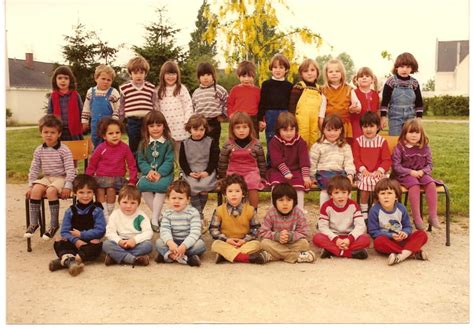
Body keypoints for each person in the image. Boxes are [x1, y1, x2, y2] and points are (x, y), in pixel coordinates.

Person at [24, 115, 76, 240]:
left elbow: (70, 169)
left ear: (59, 134)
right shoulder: (39, 150)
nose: (48, 135)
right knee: (36, 190)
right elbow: (34, 168)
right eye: (45, 132)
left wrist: (68, 186)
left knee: (51, 191)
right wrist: (31, 185)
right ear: (41, 133)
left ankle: (53, 225)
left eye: (52, 132)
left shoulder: (64, 150)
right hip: (47, 177)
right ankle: (34, 223)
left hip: (61, 178)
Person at [48, 174, 106, 276]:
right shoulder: (70, 211)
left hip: (88, 243)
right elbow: (65, 231)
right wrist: (76, 240)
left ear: (93, 193)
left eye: (89, 192)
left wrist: (82, 235)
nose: (85, 196)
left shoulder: (97, 210)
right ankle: (72, 261)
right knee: (59, 240)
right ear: (75, 193)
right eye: (81, 192)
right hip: (73, 242)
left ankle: (69, 261)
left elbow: (100, 230)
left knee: (97, 244)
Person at [391, 119, 441, 230]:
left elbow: (429, 165)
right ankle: (417, 218)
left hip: (421, 173)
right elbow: (396, 166)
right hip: (405, 174)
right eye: (410, 132)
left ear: (421, 134)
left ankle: (432, 216)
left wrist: (423, 171)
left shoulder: (425, 147)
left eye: (417, 133)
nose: (414, 135)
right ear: (404, 133)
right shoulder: (400, 148)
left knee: (431, 183)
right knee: (414, 185)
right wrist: (410, 172)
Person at [210, 174, 270, 264]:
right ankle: (248, 258)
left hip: (244, 242)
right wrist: (226, 240)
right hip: (227, 241)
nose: (233, 194)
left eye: (237, 191)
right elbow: (213, 229)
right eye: (230, 191)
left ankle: (226, 255)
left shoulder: (250, 210)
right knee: (216, 245)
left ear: (243, 194)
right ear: (225, 194)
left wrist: (244, 240)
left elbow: (256, 229)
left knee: (257, 244)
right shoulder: (219, 210)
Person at [85, 118, 137, 221]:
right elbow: (92, 165)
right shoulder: (100, 148)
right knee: (99, 189)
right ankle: (104, 215)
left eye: (117, 132)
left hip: (117, 179)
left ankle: (110, 214)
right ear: (104, 136)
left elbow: (132, 165)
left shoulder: (124, 148)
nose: (115, 135)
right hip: (101, 178)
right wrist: (88, 179)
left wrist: (132, 180)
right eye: (111, 133)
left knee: (110, 189)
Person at [368, 178, 429, 266]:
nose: (386, 196)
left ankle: (400, 256)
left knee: (422, 234)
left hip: (402, 239)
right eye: (382, 193)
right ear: (378, 197)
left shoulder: (401, 208)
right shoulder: (374, 210)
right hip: (387, 240)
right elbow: (373, 232)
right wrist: (391, 235)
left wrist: (405, 233)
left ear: (396, 196)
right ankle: (413, 252)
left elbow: (408, 226)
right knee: (378, 242)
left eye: (389, 193)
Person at [312, 175, 370, 259]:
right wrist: (336, 239)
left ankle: (331, 251)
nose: (340, 196)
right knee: (317, 238)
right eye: (336, 193)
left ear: (349, 193)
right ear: (331, 195)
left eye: (344, 192)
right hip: (333, 237)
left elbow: (361, 226)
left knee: (365, 239)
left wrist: (349, 239)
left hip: (349, 237)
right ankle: (350, 253)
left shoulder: (354, 205)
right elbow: (322, 227)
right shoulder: (326, 206)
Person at [218, 112, 267, 210]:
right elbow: (222, 163)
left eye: (245, 127)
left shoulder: (256, 144)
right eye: (238, 127)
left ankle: (253, 213)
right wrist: (222, 177)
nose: (241, 130)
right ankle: (232, 211)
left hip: (251, 171)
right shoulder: (228, 144)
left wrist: (262, 176)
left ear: (250, 128)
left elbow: (261, 162)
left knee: (253, 185)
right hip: (233, 171)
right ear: (232, 129)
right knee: (232, 187)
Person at [136, 111, 174, 231]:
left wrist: (159, 173)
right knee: (143, 185)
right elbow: (141, 160)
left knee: (161, 186)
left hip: (165, 174)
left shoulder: (168, 143)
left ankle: (154, 219)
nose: (155, 129)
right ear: (146, 128)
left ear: (164, 126)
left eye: (158, 125)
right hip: (148, 174)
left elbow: (169, 160)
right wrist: (149, 172)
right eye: (151, 126)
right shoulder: (143, 143)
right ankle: (159, 216)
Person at [259, 183, 315, 263]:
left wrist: (290, 236)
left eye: (289, 200)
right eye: (281, 200)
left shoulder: (298, 212)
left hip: (292, 243)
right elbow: (263, 232)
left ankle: (274, 256)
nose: (285, 203)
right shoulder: (271, 213)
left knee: (304, 243)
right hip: (276, 243)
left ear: (294, 201)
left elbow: (304, 232)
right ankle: (294, 256)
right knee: (264, 243)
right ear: (275, 202)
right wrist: (277, 236)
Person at [266, 112, 312, 209]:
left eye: (292, 129)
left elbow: (304, 160)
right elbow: (276, 160)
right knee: (276, 186)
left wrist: (306, 176)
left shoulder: (300, 142)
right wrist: (285, 172)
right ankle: (274, 211)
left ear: (296, 129)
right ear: (278, 130)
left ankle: (299, 211)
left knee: (299, 186)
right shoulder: (274, 142)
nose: (289, 133)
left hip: (295, 171)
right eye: (285, 130)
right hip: (278, 170)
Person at [352, 112, 392, 222]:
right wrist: (362, 169)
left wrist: (380, 170)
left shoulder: (381, 141)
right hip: (363, 172)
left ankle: (375, 208)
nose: (368, 129)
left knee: (379, 184)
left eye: (371, 126)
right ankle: (364, 208)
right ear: (361, 128)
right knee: (366, 182)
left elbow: (387, 159)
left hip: (378, 172)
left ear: (378, 127)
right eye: (365, 126)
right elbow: (356, 158)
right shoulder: (358, 141)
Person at [155, 181, 206, 267]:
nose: (176, 201)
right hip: (173, 243)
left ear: (188, 200)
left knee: (201, 245)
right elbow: (164, 230)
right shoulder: (167, 213)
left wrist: (184, 246)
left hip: (188, 244)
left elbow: (195, 232)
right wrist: (170, 243)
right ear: (168, 199)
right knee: (158, 242)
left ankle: (168, 256)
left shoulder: (193, 212)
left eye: (180, 198)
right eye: (173, 198)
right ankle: (186, 259)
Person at [309, 114, 355, 207]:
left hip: (339, 173)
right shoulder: (318, 146)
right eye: (329, 130)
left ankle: (345, 213)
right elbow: (312, 163)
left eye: (336, 130)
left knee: (346, 188)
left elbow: (349, 162)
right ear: (323, 130)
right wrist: (312, 177)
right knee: (326, 190)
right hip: (323, 173)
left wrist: (350, 175)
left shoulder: (345, 146)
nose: (332, 133)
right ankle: (324, 215)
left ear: (341, 130)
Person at [179, 114, 219, 221]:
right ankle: (199, 215)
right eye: (195, 129)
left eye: (201, 130)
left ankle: (197, 214)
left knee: (204, 187)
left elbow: (214, 159)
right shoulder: (185, 143)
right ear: (189, 129)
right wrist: (189, 172)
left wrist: (207, 171)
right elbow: (182, 161)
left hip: (206, 171)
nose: (198, 133)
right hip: (191, 171)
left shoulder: (210, 141)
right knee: (191, 186)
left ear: (205, 129)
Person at [102, 185, 153, 266]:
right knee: (106, 244)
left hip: (136, 244)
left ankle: (116, 257)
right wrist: (119, 241)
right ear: (119, 202)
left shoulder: (141, 215)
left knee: (148, 245)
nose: (128, 206)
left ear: (138, 204)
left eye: (133, 203)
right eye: (125, 202)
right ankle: (133, 259)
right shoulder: (115, 214)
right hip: (120, 243)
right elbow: (109, 232)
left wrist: (135, 240)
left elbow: (148, 232)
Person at [155, 60, 193, 163]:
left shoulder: (181, 89)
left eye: (173, 74)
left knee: (181, 152)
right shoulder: (159, 91)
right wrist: (159, 124)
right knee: (167, 152)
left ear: (177, 75)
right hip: (167, 127)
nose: (170, 77)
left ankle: (182, 171)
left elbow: (188, 105)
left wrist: (187, 121)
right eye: (168, 74)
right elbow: (157, 109)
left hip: (181, 126)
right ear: (163, 75)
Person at [118, 56, 157, 156]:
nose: (138, 76)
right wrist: (120, 120)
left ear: (145, 73)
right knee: (134, 143)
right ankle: (135, 165)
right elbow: (121, 105)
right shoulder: (125, 88)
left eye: (141, 73)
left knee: (146, 142)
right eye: (135, 73)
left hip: (147, 120)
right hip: (132, 121)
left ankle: (146, 164)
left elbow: (154, 104)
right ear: (130, 74)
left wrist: (156, 117)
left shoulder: (150, 87)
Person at [258, 54, 293, 162]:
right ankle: (271, 165)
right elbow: (262, 103)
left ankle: (285, 164)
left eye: (281, 67)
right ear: (271, 69)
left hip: (285, 114)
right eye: (275, 67)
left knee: (285, 139)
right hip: (270, 115)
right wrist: (260, 119)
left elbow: (291, 104)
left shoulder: (289, 85)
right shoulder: (266, 84)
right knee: (271, 139)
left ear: (286, 70)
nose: (278, 70)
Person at [380, 52, 424, 136]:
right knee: (395, 139)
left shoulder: (414, 83)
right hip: (395, 117)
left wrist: (419, 117)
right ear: (396, 67)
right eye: (402, 66)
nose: (405, 69)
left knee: (409, 139)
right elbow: (385, 101)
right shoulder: (391, 82)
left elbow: (419, 101)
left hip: (410, 117)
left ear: (412, 68)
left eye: (408, 67)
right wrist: (383, 117)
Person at [288, 58, 326, 149]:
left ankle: (312, 161)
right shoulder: (299, 87)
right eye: (306, 71)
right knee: (302, 140)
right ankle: (301, 160)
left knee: (314, 140)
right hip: (301, 121)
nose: (309, 73)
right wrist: (291, 119)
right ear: (301, 74)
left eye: (312, 70)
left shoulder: (319, 89)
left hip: (314, 121)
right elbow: (292, 104)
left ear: (317, 72)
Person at [320, 59, 361, 142]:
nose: (334, 73)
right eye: (331, 72)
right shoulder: (324, 90)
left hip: (344, 125)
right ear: (326, 74)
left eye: (337, 71)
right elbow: (322, 112)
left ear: (342, 73)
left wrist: (354, 108)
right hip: (329, 126)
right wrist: (322, 128)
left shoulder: (349, 89)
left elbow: (358, 106)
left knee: (343, 148)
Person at [81, 64, 121, 148]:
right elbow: (86, 108)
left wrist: (114, 121)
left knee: (109, 145)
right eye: (103, 79)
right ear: (96, 78)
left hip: (109, 126)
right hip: (95, 125)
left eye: (109, 80)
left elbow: (118, 108)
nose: (106, 81)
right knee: (96, 144)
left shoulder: (113, 92)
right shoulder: (90, 92)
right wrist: (84, 121)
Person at [191, 62, 228, 144]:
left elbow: (227, 102)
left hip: (214, 122)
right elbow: (193, 107)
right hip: (200, 123)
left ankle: (214, 157)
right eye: (202, 75)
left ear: (213, 76)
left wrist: (223, 115)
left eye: (208, 75)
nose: (205, 78)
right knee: (200, 144)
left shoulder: (218, 89)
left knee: (214, 145)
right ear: (199, 77)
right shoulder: (196, 92)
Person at [47, 66, 83, 141]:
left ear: (70, 80)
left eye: (66, 78)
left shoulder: (76, 95)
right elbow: (50, 113)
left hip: (74, 131)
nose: (63, 81)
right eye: (60, 78)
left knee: (75, 151)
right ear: (55, 80)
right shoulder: (53, 96)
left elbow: (81, 111)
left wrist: (84, 124)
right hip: (58, 130)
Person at [227, 60, 261, 137]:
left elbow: (261, 107)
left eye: (249, 76)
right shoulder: (235, 90)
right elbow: (230, 104)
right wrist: (231, 115)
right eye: (243, 76)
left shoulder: (257, 91)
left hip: (253, 119)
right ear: (239, 76)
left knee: (253, 140)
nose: (246, 79)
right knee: (236, 139)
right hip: (238, 118)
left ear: (253, 76)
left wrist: (262, 120)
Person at [351, 67, 380, 139]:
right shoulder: (353, 93)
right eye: (361, 76)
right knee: (357, 142)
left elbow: (377, 110)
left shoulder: (375, 94)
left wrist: (379, 122)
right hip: (357, 124)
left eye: (367, 76)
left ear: (372, 80)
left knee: (370, 143)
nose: (364, 78)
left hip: (371, 125)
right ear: (356, 80)